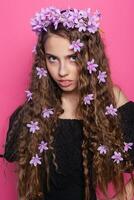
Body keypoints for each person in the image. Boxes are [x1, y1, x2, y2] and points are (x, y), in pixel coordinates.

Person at [1, 6, 134, 200]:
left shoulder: (110, 104)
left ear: (90, 56)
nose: (62, 71)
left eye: (73, 58)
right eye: (53, 59)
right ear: (43, 60)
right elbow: (26, 187)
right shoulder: (33, 113)